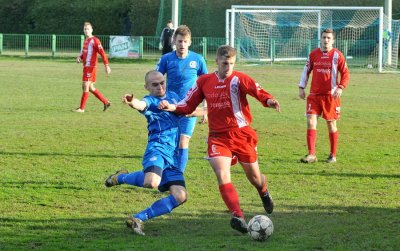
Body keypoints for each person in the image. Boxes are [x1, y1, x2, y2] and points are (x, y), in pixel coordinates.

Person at [159, 45, 281, 234]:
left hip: (241, 134)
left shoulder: (240, 79)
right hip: (218, 137)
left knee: (255, 178)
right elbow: (187, 104)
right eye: (225, 63)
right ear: (217, 61)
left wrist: (269, 101)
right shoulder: (204, 81)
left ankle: (263, 191)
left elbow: (258, 91)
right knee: (222, 174)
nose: (228, 67)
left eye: (231, 63)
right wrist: (172, 107)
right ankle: (237, 215)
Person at [104, 70, 187, 236]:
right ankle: (120, 177)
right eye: (155, 85)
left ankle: (138, 218)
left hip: (173, 155)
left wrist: (210, 110)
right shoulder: (150, 101)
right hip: (157, 148)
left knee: (180, 196)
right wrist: (132, 101)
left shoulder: (173, 96)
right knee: (151, 183)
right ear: (147, 87)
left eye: (162, 82)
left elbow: (189, 109)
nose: (159, 87)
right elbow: (141, 105)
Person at [156, 24, 208, 173]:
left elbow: (206, 85)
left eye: (185, 41)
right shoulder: (166, 59)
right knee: (170, 142)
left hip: (190, 107)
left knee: (183, 141)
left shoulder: (198, 59)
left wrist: (205, 109)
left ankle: (178, 178)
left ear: (190, 42)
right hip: (170, 107)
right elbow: (157, 79)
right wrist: (158, 99)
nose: (182, 44)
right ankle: (168, 172)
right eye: (179, 41)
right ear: (174, 42)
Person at [298, 28, 350, 164]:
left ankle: (333, 155)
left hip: (331, 96)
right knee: (310, 121)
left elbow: (345, 74)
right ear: (320, 39)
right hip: (314, 95)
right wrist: (301, 87)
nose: (326, 40)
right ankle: (311, 154)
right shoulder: (313, 54)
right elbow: (306, 71)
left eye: (328, 38)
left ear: (333, 40)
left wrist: (341, 87)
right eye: (324, 37)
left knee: (331, 124)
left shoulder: (338, 55)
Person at [74, 22, 111, 113]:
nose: (86, 31)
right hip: (86, 66)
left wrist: (106, 65)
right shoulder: (85, 41)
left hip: (92, 67)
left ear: (92, 30)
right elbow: (84, 53)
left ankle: (81, 108)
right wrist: (80, 57)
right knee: (90, 87)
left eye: (88, 29)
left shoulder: (95, 40)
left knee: (85, 85)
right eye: (85, 29)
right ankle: (106, 102)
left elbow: (102, 53)